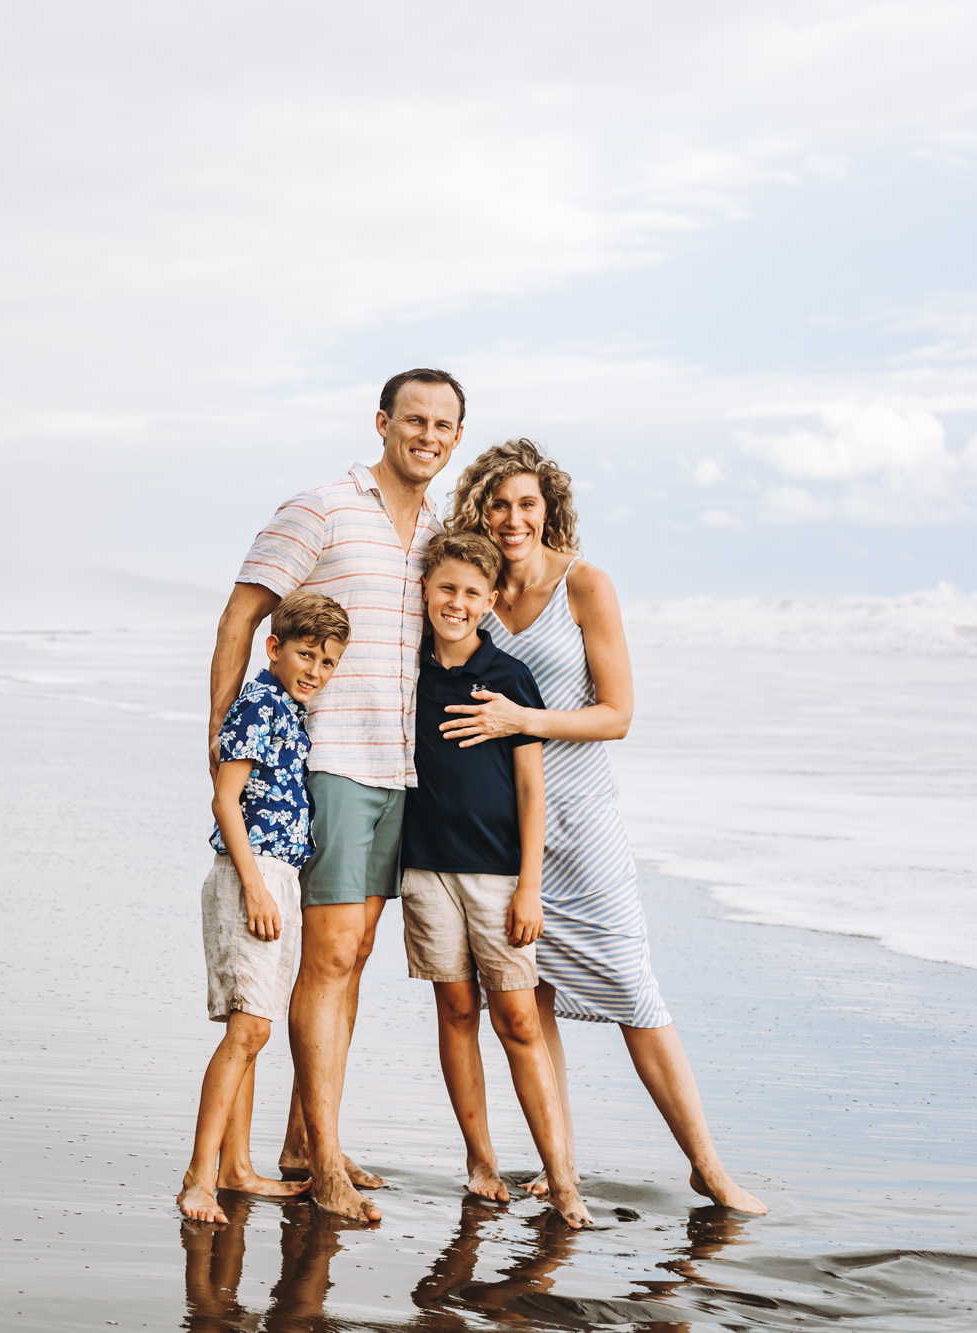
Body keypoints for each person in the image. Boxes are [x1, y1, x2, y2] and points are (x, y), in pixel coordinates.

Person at [439, 438, 766, 1213]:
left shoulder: (584, 585)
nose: (512, 518)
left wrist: (524, 719)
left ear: (548, 507)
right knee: (530, 999)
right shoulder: (474, 591)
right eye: (498, 503)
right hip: (499, 831)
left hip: (581, 826)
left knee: (633, 987)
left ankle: (708, 1165)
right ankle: (561, 1165)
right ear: (479, 510)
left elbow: (617, 714)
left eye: (527, 503)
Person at [208, 368, 466, 1221]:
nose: (428, 436)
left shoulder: (439, 532)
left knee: (350, 960)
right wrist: (221, 739)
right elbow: (242, 615)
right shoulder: (321, 507)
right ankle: (323, 1165)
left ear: (456, 437)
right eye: (415, 419)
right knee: (325, 959)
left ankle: (305, 1138)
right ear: (383, 422)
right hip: (329, 762)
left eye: (444, 425)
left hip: (399, 769)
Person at [399, 530, 590, 1227]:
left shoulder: (508, 677)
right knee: (455, 1012)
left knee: (517, 1019)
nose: (457, 602)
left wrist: (529, 886)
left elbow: (533, 789)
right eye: (447, 588)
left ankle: (563, 1179)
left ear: (489, 602)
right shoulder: (406, 670)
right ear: (426, 589)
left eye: (472, 593)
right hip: (425, 870)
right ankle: (480, 1162)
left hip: (499, 877)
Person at [179, 592, 350, 1224]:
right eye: (306, 655)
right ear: (274, 647)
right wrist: (254, 887)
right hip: (249, 875)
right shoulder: (258, 703)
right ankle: (199, 1178)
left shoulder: (291, 710)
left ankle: (235, 1169)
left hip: (279, 876)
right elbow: (225, 800)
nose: (315, 671)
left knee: (251, 1029)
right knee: (248, 1029)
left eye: (327, 662)